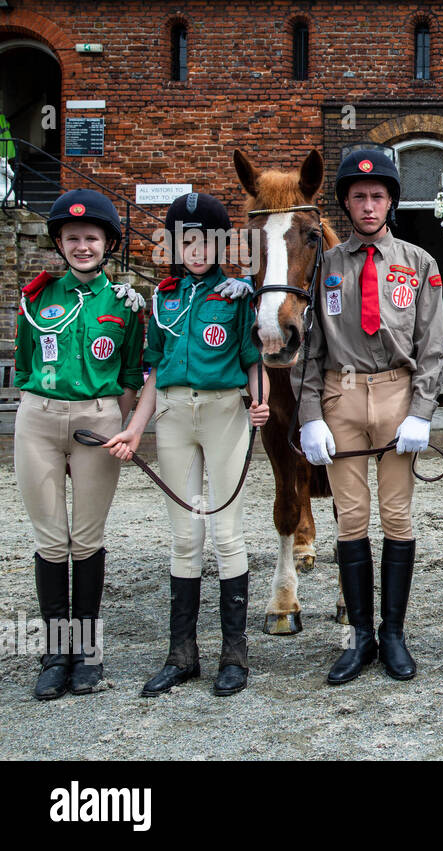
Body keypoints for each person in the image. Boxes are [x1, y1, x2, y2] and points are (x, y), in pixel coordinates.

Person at [103, 192, 269, 697]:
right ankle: (182, 654)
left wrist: (259, 401)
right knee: (183, 535)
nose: (195, 250)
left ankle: (234, 654)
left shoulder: (238, 296)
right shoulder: (164, 298)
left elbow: (252, 359)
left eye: (205, 241)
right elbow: (152, 368)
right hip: (174, 413)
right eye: (185, 241)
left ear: (219, 245)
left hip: (222, 410)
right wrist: (135, 426)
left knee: (227, 532)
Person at [297, 148, 443, 685]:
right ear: (345, 203)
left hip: (397, 395)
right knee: (351, 517)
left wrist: (423, 411)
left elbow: (432, 346)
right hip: (341, 395)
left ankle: (393, 634)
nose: (367, 205)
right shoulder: (326, 266)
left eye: (377, 196)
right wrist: (309, 414)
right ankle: (359, 637)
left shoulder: (417, 262)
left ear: (390, 202)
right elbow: (310, 346)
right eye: (358, 197)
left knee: (399, 516)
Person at [14, 189, 145, 699]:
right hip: (40, 419)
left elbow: (132, 370)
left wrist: (123, 422)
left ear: (108, 243)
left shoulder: (125, 302)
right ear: (59, 243)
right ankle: (54, 652)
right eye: (73, 238)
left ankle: (86, 648)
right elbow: (25, 363)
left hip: (98, 418)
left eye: (92, 237)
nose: (82, 245)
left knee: (86, 538)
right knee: (51, 539)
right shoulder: (36, 296)